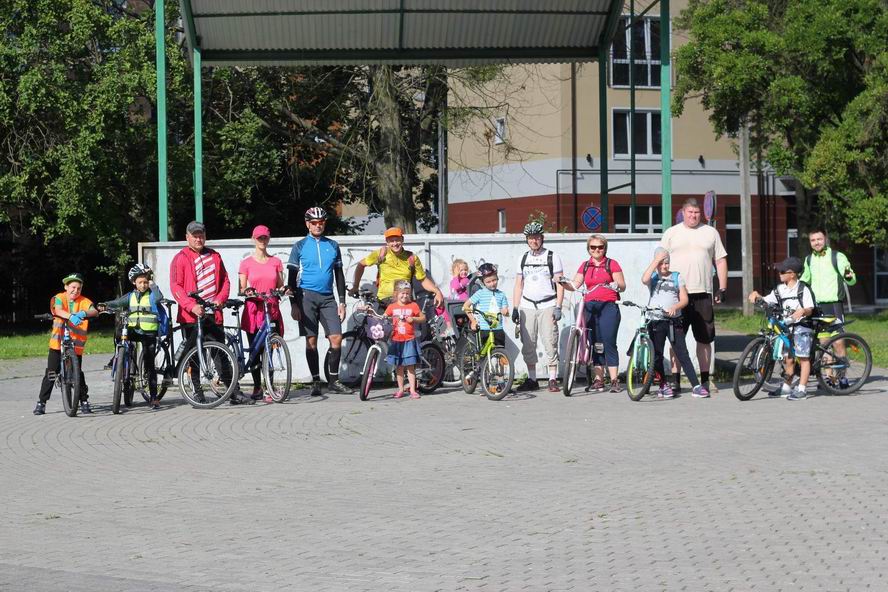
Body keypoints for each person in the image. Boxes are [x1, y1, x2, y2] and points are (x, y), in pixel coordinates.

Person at [170, 221, 252, 405]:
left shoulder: (215, 256)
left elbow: (225, 282)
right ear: (187, 237)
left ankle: (233, 392)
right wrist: (191, 306)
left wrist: (219, 300)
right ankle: (197, 392)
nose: (198, 238)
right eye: (194, 235)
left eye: (201, 235)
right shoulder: (181, 258)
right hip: (191, 316)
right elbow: (176, 286)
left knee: (220, 354)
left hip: (213, 314)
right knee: (193, 355)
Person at [659, 197, 728, 394]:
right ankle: (676, 381)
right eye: (690, 212)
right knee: (675, 340)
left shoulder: (710, 232)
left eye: (696, 213)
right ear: (683, 213)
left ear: (701, 213)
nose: (693, 216)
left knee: (704, 339)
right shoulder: (672, 233)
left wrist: (722, 288)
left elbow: (720, 261)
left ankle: (705, 380)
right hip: (676, 294)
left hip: (702, 294)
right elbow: (659, 260)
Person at [287, 207, 352, 397]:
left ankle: (333, 381)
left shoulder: (332, 245)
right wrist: (293, 304)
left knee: (336, 338)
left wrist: (342, 302)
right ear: (307, 224)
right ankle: (316, 381)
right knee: (311, 341)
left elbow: (338, 274)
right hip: (306, 296)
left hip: (328, 297)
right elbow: (291, 277)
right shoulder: (299, 246)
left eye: (321, 222)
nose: (318, 225)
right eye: (314, 223)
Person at [641, 248, 709, 399]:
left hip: (673, 321)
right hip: (656, 321)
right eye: (661, 263)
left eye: (667, 263)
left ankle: (696, 386)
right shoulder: (652, 277)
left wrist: (675, 307)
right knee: (657, 354)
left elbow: (684, 299)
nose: (664, 266)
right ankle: (663, 385)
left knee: (682, 353)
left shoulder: (677, 277)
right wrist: (655, 261)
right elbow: (644, 279)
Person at [98, 264, 167, 410]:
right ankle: (119, 355)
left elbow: (159, 298)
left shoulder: (152, 294)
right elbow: (117, 303)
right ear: (134, 282)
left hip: (149, 332)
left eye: (146, 282)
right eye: (140, 282)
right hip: (133, 330)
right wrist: (105, 305)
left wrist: (153, 285)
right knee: (118, 332)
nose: (143, 285)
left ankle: (154, 398)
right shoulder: (130, 296)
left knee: (150, 364)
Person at [563, 235, 626, 393]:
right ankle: (599, 380)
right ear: (588, 249)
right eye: (593, 247)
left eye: (600, 247)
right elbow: (575, 284)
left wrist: (615, 285)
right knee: (596, 343)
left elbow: (623, 285)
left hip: (608, 306)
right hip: (590, 306)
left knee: (609, 341)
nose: (597, 250)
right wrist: (562, 282)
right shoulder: (585, 266)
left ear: (605, 248)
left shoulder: (612, 264)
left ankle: (613, 380)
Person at [748, 257, 816, 401]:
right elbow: (767, 299)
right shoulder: (780, 289)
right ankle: (786, 388)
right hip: (786, 328)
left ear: (792, 274)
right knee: (788, 360)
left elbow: (810, 308)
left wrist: (803, 311)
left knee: (803, 358)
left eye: (783, 271)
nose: (779, 273)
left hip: (802, 327)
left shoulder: (803, 289)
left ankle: (802, 389)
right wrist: (756, 296)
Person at [34, 273, 100, 415]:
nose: (75, 291)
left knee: (78, 373)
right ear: (66, 287)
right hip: (58, 344)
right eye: (73, 287)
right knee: (51, 372)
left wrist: (83, 313)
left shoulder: (83, 300)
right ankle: (41, 402)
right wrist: (70, 316)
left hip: (75, 345)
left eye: (79, 288)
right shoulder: (59, 297)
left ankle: (84, 401)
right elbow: (57, 309)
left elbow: (94, 311)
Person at [512, 221, 564, 393]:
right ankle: (532, 379)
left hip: (548, 304)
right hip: (527, 305)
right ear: (526, 240)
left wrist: (558, 306)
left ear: (542, 238)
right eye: (530, 238)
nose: (533, 241)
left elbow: (560, 284)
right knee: (528, 343)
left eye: (536, 237)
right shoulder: (523, 258)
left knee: (550, 341)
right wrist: (515, 307)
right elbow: (519, 284)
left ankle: (552, 379)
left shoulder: (552, 257)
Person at [801, 228, 857, 387]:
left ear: (824, 239)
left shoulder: (837, 257)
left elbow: (851, 278)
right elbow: (805, 281)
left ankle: (842, 377)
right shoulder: (809, 259)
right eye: (813, 240)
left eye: (819, 239)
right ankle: (829, 378)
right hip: (818, 307)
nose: (816, 242)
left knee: (838, 343)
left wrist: (849, 275)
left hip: (834, 306)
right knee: (823, 343)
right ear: (810, 242)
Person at [239, 225, 286, 402]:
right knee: (255, 351)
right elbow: (242, 287)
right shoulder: (246, 263)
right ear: (253, 239)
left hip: (271, 309)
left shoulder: (276, 262)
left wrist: (285, 289)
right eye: (259, 238)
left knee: (271, 350)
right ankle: (258, 386)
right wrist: (247, 291)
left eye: (265, 238)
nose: (262, 241)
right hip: (253, 310)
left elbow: (280, 285)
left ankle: (270, 387)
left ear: (269, 239)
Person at [349, 227, 444, 310]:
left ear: (402, 240)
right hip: (384, 301)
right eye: (391, 241)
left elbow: (422, 279)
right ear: (387, 242)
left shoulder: (412, 257)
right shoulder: (381, 254)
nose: (395, 243)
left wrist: (437, 291)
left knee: (405, 330)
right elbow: (361, 265)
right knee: (379, 329)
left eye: (397, 240)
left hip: (403, 302)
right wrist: (355, 286)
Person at [384, 280, 427, 399]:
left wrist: (413, 319)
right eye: (402, 293)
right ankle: (400, 389)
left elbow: (423, 318)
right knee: (399, 367)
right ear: (396, 294)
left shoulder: (413, 305)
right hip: (396, 340)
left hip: (409, 340)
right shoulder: (392, 307)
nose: (405, 296)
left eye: (407, 293)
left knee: (410, 366)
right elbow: (384, 317)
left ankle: (413, 390)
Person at [463, 262, 510, 348]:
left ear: (497, 277)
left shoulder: (501, 294)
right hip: (484, 329)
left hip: (498, 329)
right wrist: (473, 321)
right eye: (488, 282)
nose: (492, 283)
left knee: (501, 353)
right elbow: (466, 306)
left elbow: (506, 311)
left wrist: (505, 312)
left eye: (494, 280)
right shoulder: (480, 293)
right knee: (483, 355)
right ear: (482, 282)